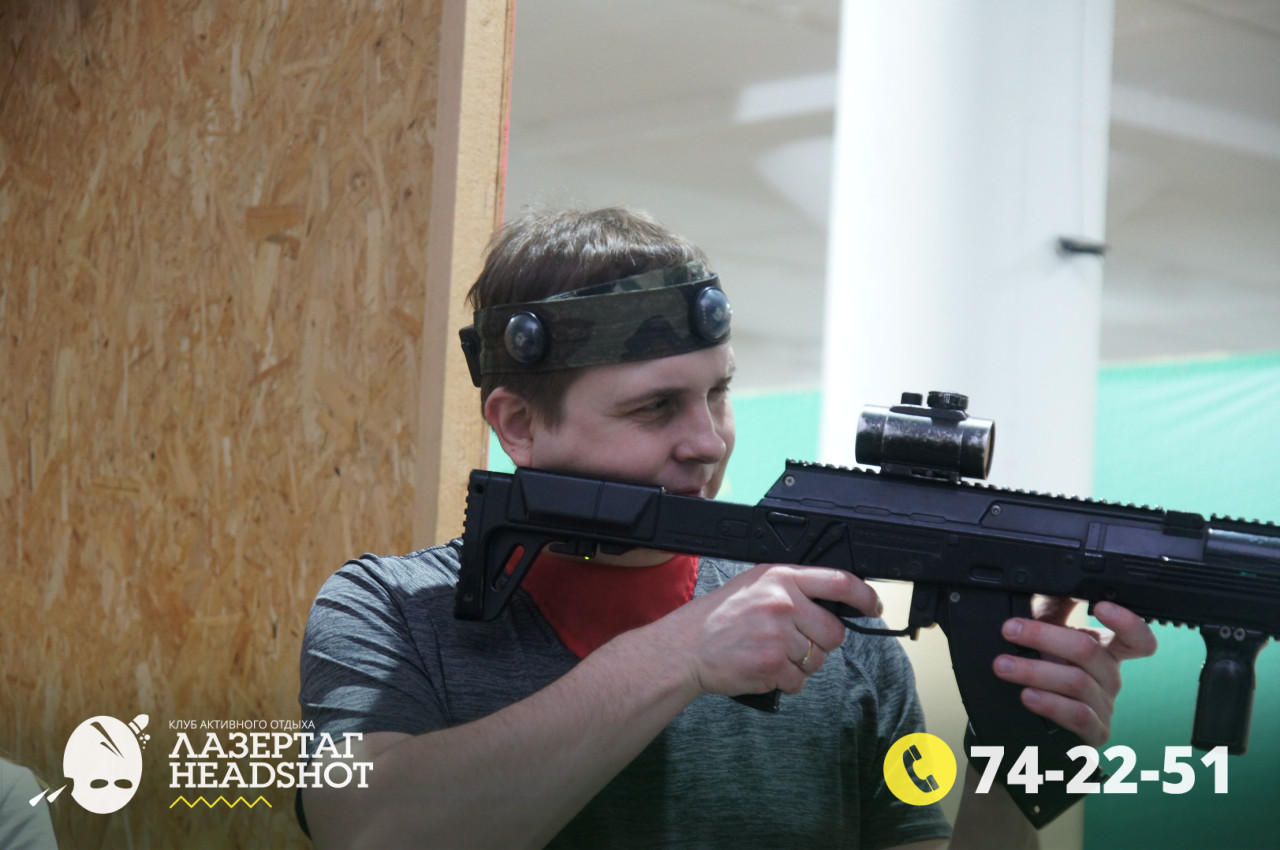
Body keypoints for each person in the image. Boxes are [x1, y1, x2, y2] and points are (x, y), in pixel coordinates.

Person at [298, 207, 1157, 849]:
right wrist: (681, 654)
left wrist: (1014, 758)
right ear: (518, 425)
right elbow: (371, 828)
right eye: (655, 408)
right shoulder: (390, 610)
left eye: (719, 393)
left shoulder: (841, 638)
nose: (707, 440)